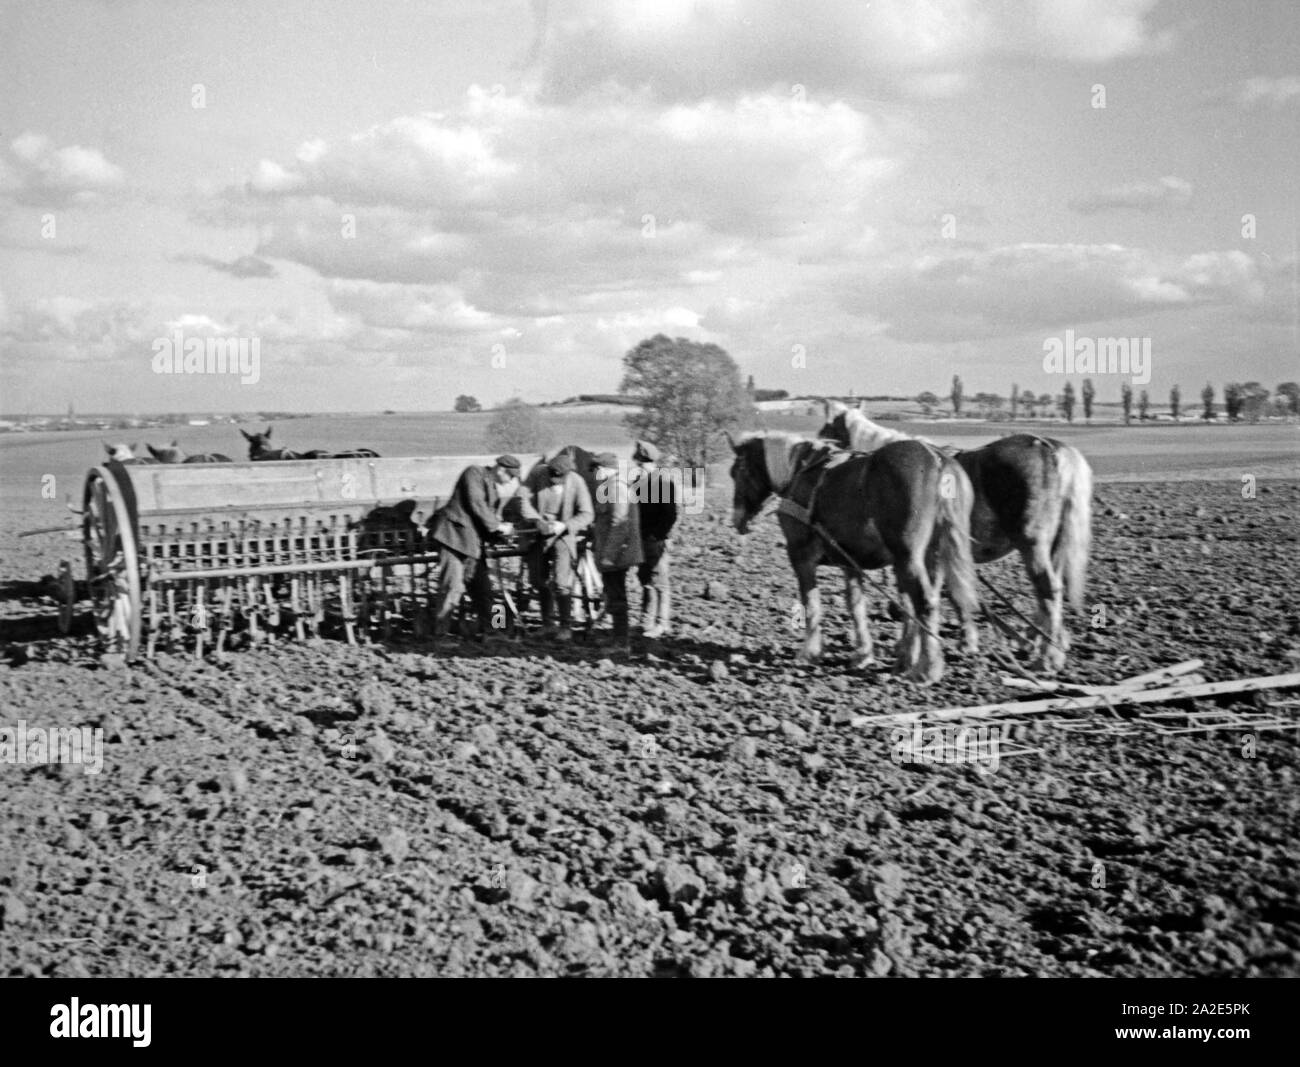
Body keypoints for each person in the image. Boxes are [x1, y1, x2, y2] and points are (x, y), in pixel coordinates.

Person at [428, 454, 538, 641]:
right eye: (510, 477)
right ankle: (441, 636)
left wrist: (501, 534)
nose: (510, 481)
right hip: (453, 539)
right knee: (452, 588)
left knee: (486, 590)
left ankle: (495, 630)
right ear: (500, 469)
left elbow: (485, 519)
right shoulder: (474, 473)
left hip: (472, 545)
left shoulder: (493, 491)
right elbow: (476, 504)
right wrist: (497, 526)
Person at [528, 452, 594, 641]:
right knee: (538, 580)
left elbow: (587, 513)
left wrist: (565, 525)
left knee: (561, 582)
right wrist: (536, 520)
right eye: (552, 476)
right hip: (538, 535)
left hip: (562, 537)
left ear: (567, 475)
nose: (554, 480)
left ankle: (565, 626)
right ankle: (547, 624)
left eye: (559, 478)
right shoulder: (537, 474)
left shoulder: (577, 482)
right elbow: (522, 499)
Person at [589, 452, 643, 650]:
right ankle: (616, 637)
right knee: (613, 594)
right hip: (612, 552)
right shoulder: (610, 486)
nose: (594, 474)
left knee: (617, 596)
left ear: (603, 469)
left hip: (616, 555)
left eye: (595, 470)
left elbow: (620, 525)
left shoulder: (616, 487)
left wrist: (609, 556)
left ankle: (621, 643)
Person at [630, 439, 678, 639]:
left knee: (660, 583)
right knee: (646, 581)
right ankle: (647, 621)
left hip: (654, 539)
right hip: (642, 538)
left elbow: (670, 515)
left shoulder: (663, 482)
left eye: (642, 464)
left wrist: (657, 535)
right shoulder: (639, 483)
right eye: (639, 464)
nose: (640, 467)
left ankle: (661, 624)